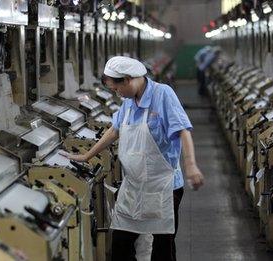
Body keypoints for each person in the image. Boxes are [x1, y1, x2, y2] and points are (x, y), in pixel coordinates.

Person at [60, 56, 204, 261]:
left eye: (116, 89)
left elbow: (183, 131)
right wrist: (87, 155)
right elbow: (114, 130)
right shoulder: (129, 102)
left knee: (163, 248)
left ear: (127, 80)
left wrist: (190, 165)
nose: (116, 93)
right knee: (120, 243)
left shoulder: (162, 94)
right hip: (134, 187)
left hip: (162, 187)